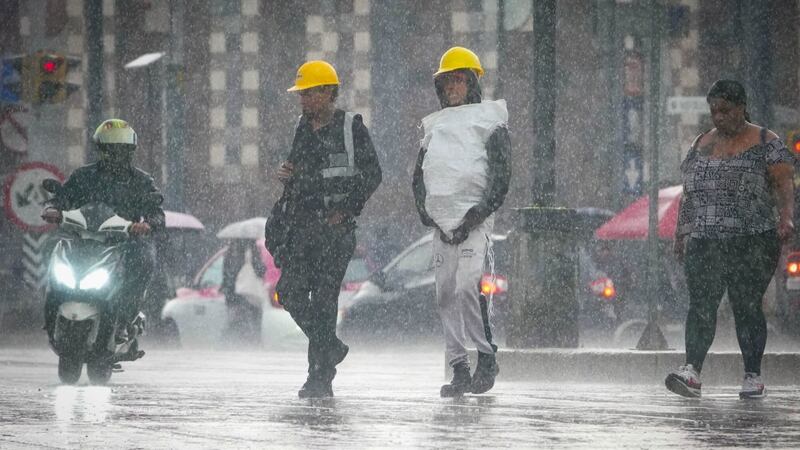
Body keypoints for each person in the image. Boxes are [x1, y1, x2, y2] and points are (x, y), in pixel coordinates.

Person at [666, 80, 795, 399]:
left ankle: (752, 375)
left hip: (752, 239)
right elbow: (689, 194)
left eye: (725, 110)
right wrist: (682, 232)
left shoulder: (767, 141)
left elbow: (783, 184)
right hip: (706, 239)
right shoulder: (700, 143)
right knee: (701, 306)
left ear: (741, 108)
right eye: (713, 111)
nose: (718, 117)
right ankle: (691, 371)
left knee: (747, 305)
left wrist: (786, 217)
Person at [268, 60, 382, 398]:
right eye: (301, 94)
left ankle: (319, 379)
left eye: (308, 93)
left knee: (323, 302)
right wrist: (287, 176)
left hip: (335, 231)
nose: (303, 100)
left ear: (328, 93)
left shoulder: (351, 128)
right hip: (302, 229)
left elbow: (373, 174)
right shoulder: (300, 129)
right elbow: (300, 176)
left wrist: (346, 208)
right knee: (288, 292)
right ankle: (330, 346)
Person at [412, 46, 511, 397]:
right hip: (442, 223)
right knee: (444, 294)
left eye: (459, 80)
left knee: (468, 285)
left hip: (475, 219)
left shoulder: (491, 122)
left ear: (471, 83)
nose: (452, 87)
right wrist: (430, 215)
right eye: (447, 82)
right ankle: (458, 367)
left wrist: (477, 214)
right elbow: (420, 178)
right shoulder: (434, 128)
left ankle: (486, 356)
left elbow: (501, 177)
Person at [41, 119, 164, 342]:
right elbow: (60, 198)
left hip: (124, 241)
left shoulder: (142, 181)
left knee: (144, 259)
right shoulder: (83, 176)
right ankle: (51, 308)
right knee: (51, 248)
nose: (116, 154)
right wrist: (52, 209)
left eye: (122, 149)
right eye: (111, 149)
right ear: (101, 150)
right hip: (82, 238)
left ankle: (126, 318)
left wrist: (147, 224)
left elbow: (156, 212)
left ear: (130, 151)